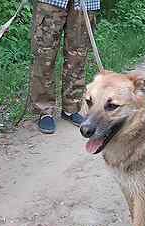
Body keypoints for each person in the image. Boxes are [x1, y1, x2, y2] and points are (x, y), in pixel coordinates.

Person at [29, 0, 100, 134]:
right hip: (51, 3)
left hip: (85, 3)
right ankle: (44, 111)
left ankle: (71, 108)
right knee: (44, 56)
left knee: (78, 57)